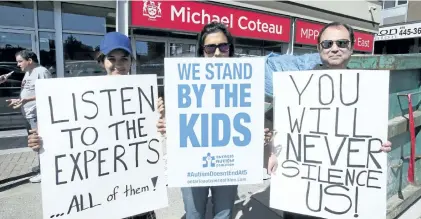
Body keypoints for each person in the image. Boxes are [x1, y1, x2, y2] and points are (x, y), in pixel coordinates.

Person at [27, 32, 157, 219]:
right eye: (111, 58)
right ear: (102, 62)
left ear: (131, 62)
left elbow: (153, 134)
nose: (118, 64)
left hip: (136, 191)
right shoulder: (84, 97)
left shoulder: (144, 96)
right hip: (100, 195)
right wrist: (40, 141)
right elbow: (63, 134)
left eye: (124, 58)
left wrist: (160, 123)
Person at [156, 21, 277, 219]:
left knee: (224, 214)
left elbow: (253, 120)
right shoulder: (184, 80)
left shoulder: (246, 81)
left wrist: (259, 133)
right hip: (192, 162)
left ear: (230, 49)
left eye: (223, 46)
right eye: (210, 47)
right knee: (193, 214)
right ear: (202, 51)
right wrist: (165, 123)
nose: (217, 53)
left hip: (228, 163)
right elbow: (175, 119)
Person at [280, 22, 392, 219]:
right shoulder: (297, 85)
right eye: (327, 43)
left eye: (341, 43)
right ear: (318, 48)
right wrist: (272, 152)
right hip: (303, 193)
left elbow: (371, 134)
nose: (334, 48)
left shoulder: (368, 89)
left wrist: (380, 145)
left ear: (352, 47)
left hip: (344, 195)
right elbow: (279, 127)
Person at [7, 50, 51, 183]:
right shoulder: (28, 73)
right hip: (29, 114)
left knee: (41, 143)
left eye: (20, 61)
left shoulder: (41, 72)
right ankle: (43, 166)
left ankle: (46, 172)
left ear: (30, 61)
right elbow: (28, 92)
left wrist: (26, 100)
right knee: (36, 144)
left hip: (37, 115)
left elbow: (49, 93)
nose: (18, 64)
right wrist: (19, 100)